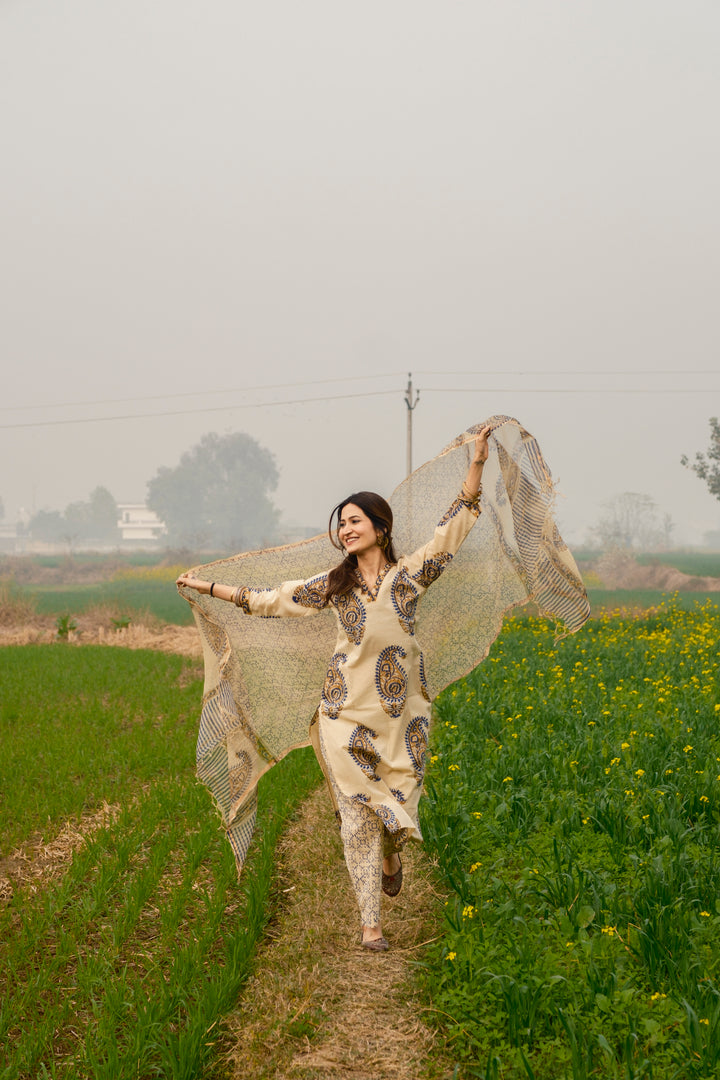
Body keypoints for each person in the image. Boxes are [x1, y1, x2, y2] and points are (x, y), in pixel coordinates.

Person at [177, 426, 491, 952]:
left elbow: (453, 528)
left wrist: (477, 463)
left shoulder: (411, 577)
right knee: (353, 814)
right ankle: (370, 924)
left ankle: (392, 853)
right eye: (340, 524)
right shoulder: (333, 585)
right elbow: (269, 599)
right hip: (342, 714)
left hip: (404, 717)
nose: (346, 530)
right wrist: (208, 587)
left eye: (354, 521)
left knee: (397, 810)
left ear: (380, 527)